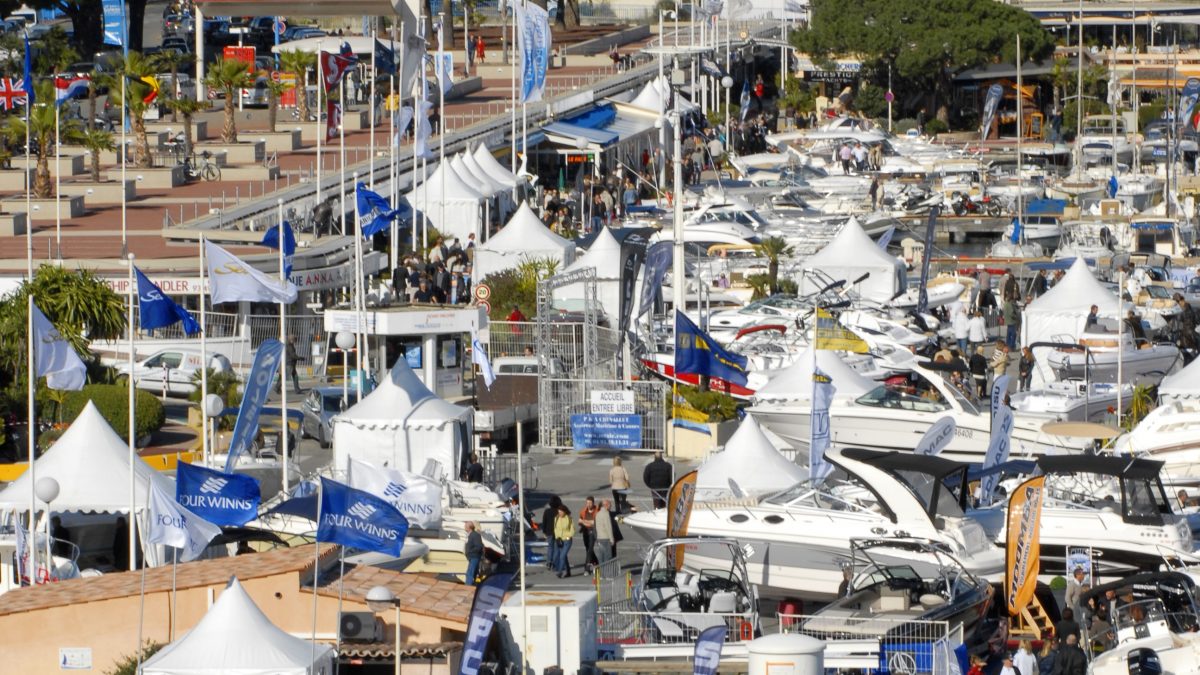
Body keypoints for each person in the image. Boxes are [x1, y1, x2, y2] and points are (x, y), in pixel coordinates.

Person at [552, 504, 574, 578]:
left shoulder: (569, 518)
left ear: (564, 512)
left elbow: (572, 531)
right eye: (559, 512)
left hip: (567, 540)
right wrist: (557, 537)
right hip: (560, 540)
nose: (560, 513)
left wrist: (567, 536)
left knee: (562, 556)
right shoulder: (556, 518)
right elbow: (555, 529)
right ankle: (568, 571)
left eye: (561, 512)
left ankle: (560, 571)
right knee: (564, 557)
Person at [540, 495, 562, 570]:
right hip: (557, 532)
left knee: (550, 547)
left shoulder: (547, 511)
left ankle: (549, 562)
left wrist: (544, 531)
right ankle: (554, 563)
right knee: (556, 548)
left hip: (549, 532)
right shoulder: (559, 512)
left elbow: (544, 522)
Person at [578, 496, 598, 573]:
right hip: (585, 531)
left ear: (593, 503)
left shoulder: (597, 511)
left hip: (593, 531)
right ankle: (596, 562)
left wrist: (584, 521)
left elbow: (594, 523)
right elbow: (579, 521)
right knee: (588, 549)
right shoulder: (583, 511)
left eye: (590, 503)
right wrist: (586, 522)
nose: (588, 504)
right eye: (587, 503)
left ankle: (586, 568)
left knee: (590, 548)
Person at [594, 499, 615, 564]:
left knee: (601, 557)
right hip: (606, 538)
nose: (610, 506)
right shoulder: (606, 514)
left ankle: (602, 572)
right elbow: (608, 527)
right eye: (610, 505)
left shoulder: (598, 514)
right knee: (607, 557)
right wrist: (612, 539)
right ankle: (606, 572)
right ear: (606, 505)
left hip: (599, 538)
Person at [464, 522, 483, 586]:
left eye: (466, 526)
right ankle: (476, 585)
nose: (464, 527)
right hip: (472, 556)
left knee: (469, 572)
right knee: (475, 572)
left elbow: (479, 546)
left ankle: (467, 586)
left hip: (474, 556)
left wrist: (470, 551)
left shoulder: (475, 535)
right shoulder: (470, 534)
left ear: (469, 527)